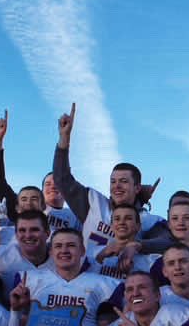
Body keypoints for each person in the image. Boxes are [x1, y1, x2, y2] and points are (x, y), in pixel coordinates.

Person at [52, 103, 161, 249]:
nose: (117, 186)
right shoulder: (94, 203)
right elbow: (62, 179)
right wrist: (64, 138)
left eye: (123, 181)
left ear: (137, 188)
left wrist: (138, 245)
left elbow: (169, 242)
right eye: (113, 181)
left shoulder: (149, 221)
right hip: (88, 271)